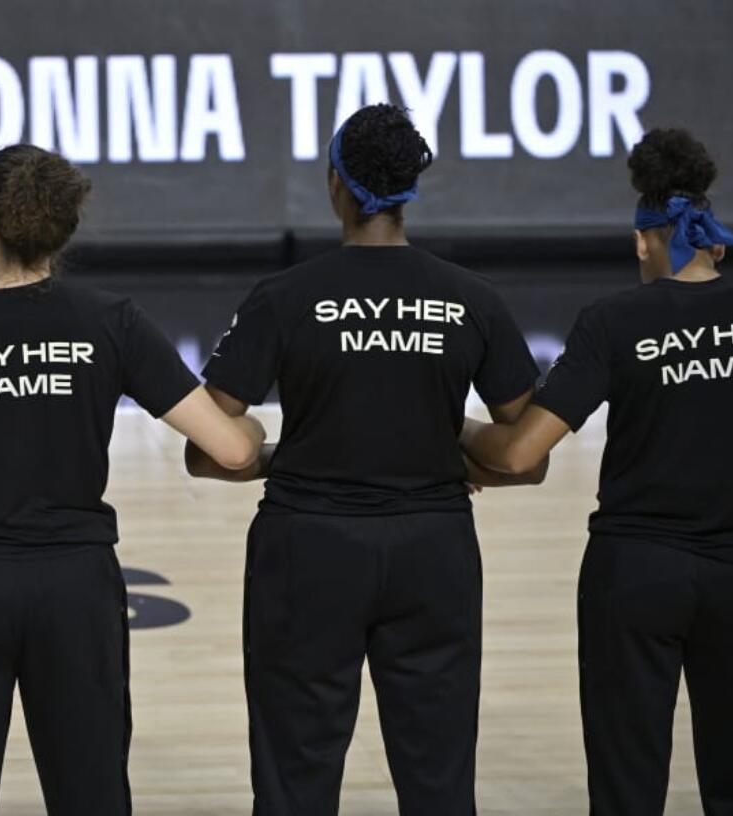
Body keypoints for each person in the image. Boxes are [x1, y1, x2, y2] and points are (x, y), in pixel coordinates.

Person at [0, 143, 266, 815]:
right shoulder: (111, 322)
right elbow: (233, 451)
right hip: (74, 588)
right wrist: (256, 434)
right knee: (90, 795)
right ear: (64, 232)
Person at [187, 103, 544, 815]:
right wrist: (453, 440)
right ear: (410, 189)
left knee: (295, 779)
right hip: (433, 549)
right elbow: (525, 453)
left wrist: (279, 454)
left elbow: (210, 446)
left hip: (309, 549)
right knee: (439, 779)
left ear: (335, 186)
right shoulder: (470, 298)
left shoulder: (282, 297)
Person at [461, 127, 733, 814]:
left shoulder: (612, 321)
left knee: (628, 787)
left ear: (644, 241)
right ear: (712, 239)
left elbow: (519, 452)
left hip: (634, 575)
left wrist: (445, 424)